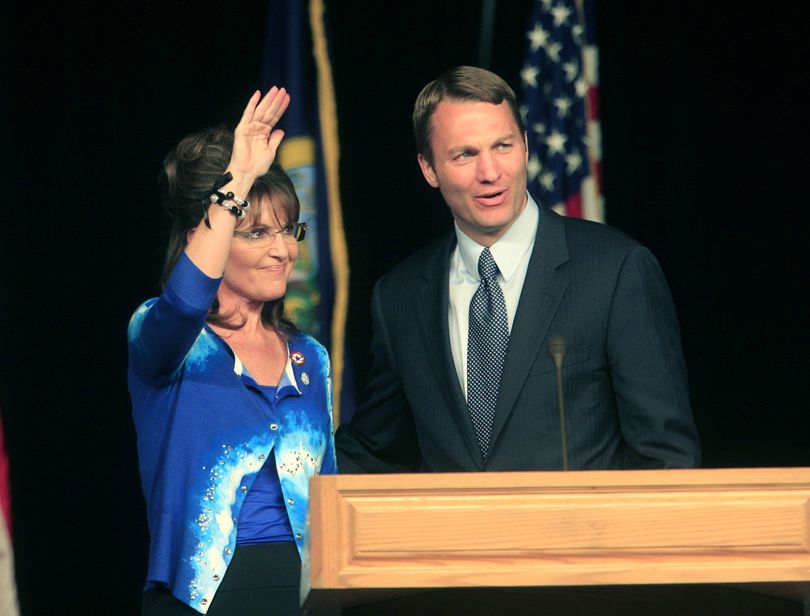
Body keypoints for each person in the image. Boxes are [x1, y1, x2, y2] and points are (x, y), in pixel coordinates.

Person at [336, 66, 700, 473]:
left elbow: (666, 457)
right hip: (455, 538)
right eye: (465, 154)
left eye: (503, 146)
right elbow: (373, 450)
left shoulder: (616, 271)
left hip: (580, 536)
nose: (490, 173)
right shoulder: (399, 296)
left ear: (526, 146)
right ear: (428, 169)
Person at [128, 87, 336, 615]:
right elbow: (184, 302)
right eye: (258, 232)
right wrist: (237, 180)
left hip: (311, 593)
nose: (284, 250)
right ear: (210, 234)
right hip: (200, 599)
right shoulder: (164, 338)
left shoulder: (310, 356)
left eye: (289, 230)